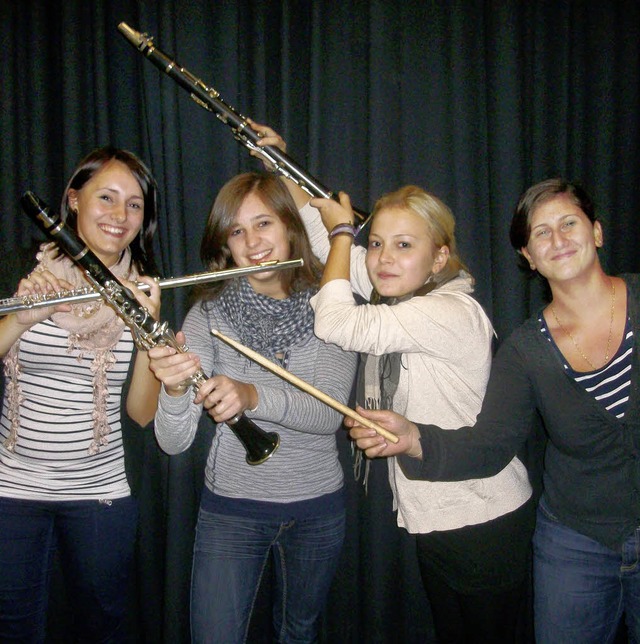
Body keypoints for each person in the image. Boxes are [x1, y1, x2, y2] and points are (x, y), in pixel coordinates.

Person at [249, 120, 534, 644]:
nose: (383, 258)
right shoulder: (399, 294)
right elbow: (328, 250)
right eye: (375, 242)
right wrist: (281, 169)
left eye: (404, 245)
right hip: (439, 514)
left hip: (483, 518)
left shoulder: (446, 311)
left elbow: (333, 319)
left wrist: (343, 233)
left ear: (439, 256)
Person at [347, 178, 640, 644]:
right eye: (541, 233)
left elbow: (340, 312)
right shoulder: (527, 348)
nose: (557, 240)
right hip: (575, 539)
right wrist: (413, 438)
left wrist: (342, 231)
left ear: (597, 231)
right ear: (528, 255)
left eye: (568, 223)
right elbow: (491, 445)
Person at [147, 172, 358, 644]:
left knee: (297, 633)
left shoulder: (333, 305)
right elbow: (172, 441)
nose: (253, 242)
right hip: (232, 509)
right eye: (237, 231)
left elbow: (327, 414)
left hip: (317, 508)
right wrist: (176, 389)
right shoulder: (207, 313)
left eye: (264, 223)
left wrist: (252, 395)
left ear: (289, 227)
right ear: (225, 244)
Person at [0, 147, 162, 642]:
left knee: (103, 625)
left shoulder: (147, 289)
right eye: (106, 197)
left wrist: (147, 334)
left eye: (134, 204)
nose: (120, 215)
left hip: (101, 493)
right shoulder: (19, 269)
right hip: (11, 490)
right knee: (14, 627)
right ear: (73, 200)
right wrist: (23, 317)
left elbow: (140, 415)